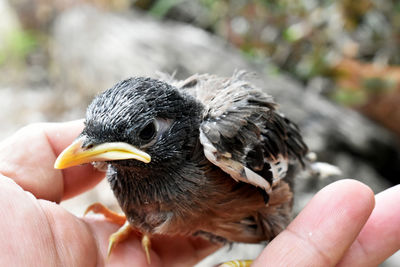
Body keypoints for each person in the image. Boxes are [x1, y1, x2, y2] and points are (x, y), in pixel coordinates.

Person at [0, 120, 398, 267]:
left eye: (144, 133)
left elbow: (277, 184)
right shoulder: (122, 168)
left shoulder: (222, 142)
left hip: (257, 210)